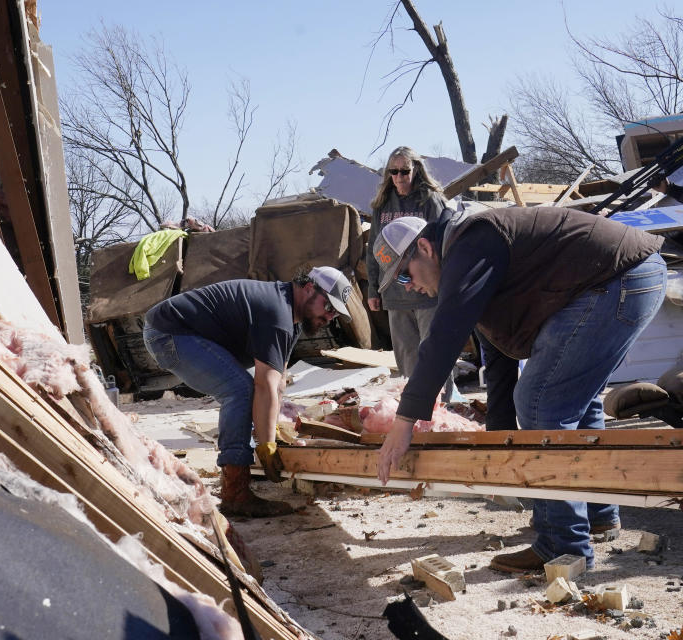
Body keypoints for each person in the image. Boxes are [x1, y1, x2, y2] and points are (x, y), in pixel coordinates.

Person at [372, 206, 666, 572]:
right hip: (631, 278)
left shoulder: (469, 246)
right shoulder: (476, 263)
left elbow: (443, 338)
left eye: (404, 276)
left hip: (618, 281)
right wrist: (499, 447)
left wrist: (404, 421)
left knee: (542, 402)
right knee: (576, 401)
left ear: (426, 249)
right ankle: (597, 513)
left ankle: (563, 547)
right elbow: (499, 365)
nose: (410, 287)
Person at [142, 267, 353, 517]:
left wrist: (272, 432)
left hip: (175, 331)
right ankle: (235, 492)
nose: (330, 318)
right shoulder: (276, 313)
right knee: (240, 390)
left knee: (247, 390)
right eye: (329, 307)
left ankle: (241, 467)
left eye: (335, 315)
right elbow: (263, 385)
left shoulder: (290, 319)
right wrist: (266, 445)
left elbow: (278, 382)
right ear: (309, 288)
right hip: (169, 333)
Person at [366, 147, 453, 396]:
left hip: (427, 293)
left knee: (434, 353)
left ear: (416, 170)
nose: (400, 177)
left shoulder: (430, 200)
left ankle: (443, 406)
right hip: (395, 293)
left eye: (405, 171)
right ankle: (413, 409)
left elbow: (443, 245)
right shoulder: (381, 205)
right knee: (406, 358)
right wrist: (373, 289)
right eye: (394, 172)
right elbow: (373, 248)